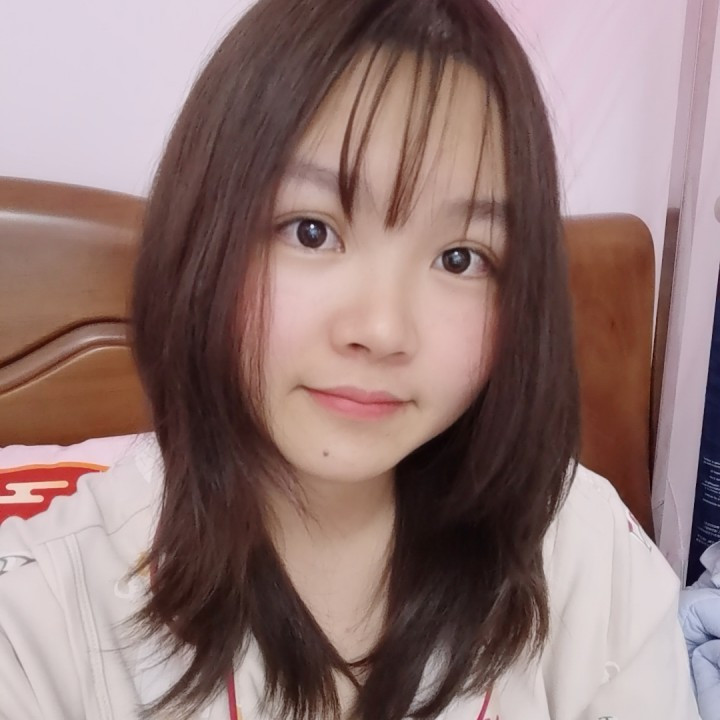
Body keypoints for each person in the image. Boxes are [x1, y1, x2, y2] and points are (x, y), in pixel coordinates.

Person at [0, 1, 701, 718]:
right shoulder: (39, 622)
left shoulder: (588, 560)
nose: (383, 329)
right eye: (311, 231)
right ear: (203, 234)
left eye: (461, 258)